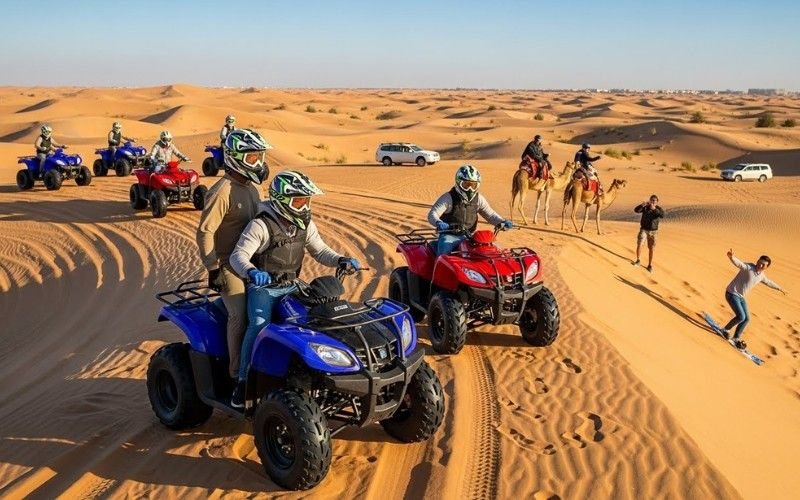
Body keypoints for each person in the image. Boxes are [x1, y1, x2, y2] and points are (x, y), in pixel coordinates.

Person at [228, 170, 361, 408]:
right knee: (258, 326)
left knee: (316, 318)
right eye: (299, 200)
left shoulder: (305, 225)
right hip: (264, 288)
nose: (305, 206)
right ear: (282, 200)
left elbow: (320, 251)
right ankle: (242, 381)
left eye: (306, 200)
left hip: (292, 285)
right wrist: (251, 272)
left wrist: (341, 259)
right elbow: (238, 256)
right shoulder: (261, 225)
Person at [197, 128, 271, 385]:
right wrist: (213, 268)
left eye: (259, 156)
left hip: (254, 262)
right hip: (230, 265)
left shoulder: (250, 188)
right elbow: (206, 231)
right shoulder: (222, 190)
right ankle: (237, 372)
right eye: (252, 158)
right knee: (241, 315)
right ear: (235, 157)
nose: (259, 163)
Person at [428, 165, 512, 255]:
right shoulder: (448, 197)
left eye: (473, 185)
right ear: (458, 182)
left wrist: (502, 222)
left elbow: (490, 215)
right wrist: (438, 222)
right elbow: (433, 213)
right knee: (444, 254)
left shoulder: (478, 199)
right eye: (466, 185)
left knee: (495, 251)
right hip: (450, 235)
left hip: (471, 236)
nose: (470, 189)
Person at [720, 249, 787, 349]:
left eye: (763, 265)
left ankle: (736, 338)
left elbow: (768, 282)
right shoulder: (748, 268)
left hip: (741, 297)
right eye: (759, 262)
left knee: (747, 319)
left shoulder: (761, 276)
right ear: (757, 261)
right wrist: (731, 257)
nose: (760, 265)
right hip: (731, 294)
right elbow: (739, 264)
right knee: (741, 317)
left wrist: (779, 288)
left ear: (766, 267)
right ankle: (725, 329)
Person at [631, 194, 665, 272]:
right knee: (640, 244)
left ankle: (649, 265)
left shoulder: (658, 209)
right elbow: (636, 210)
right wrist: (641, 205)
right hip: (644, 230)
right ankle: (638, 260)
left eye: (654, 201)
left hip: (654, 232)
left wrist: (654, 209)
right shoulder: (645, 207)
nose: (653, 202)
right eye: (651, 200)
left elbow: (662, 215)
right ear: (649, 201)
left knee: (651, 248)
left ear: (657, 202)